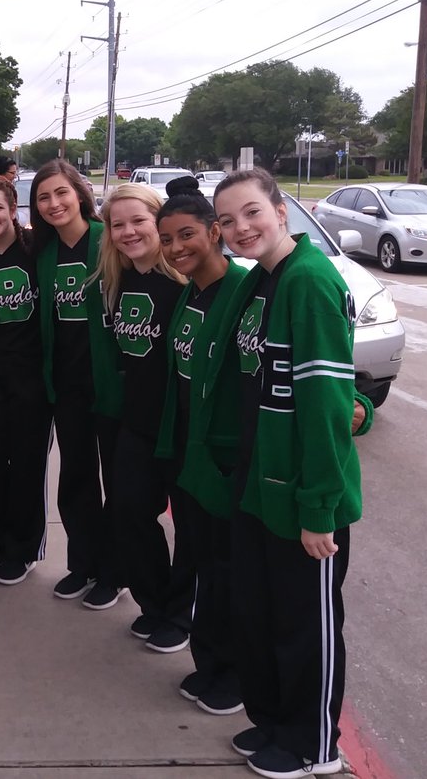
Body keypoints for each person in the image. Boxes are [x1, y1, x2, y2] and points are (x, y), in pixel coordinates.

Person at [209, 167, 362, 779]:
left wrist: (320, 507)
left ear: (280, 210)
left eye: (252, 212)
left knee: (307, 626)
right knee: (262, 614)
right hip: (258, 485)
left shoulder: (308, 281)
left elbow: (327, 402)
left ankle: (314, 746)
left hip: (303, 497)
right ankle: (274, 720)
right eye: (228, 220)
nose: (241, 227)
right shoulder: (263, 282)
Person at [155, 175, 251, 717]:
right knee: (199, 564)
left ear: (215, 232)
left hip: (222, 461)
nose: (176, 248)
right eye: (168, 239)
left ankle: (234, 675)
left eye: (187, 235)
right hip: (189, 459)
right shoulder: (191, 292)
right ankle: (208, 663)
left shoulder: (240, 291)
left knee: (226, 572)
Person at [95, 183, 192, 644]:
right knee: (130, 513)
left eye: (139, 221)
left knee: (192, 531)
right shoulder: (116, 280)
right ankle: (155, 603)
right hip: (136, 423)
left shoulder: (186, 281)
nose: (129, 232)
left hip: (184, 426)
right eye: (118, 224)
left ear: (160, 222)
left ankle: (182, 617)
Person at [30, 159, 123, 609]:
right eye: (44, 196)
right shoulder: (44, 252)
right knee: (77, 479)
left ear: (80, 194)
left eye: (61, 193)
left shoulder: (110, 241)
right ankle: (82, 563)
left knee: (119, 484)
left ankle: (115, 571)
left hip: (111, 385)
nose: (54, 203)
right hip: (66, 386)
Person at [0, 177, 52, 585]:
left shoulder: (37, 247)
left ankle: (23, 548)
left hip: (32, 375)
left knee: (26, 465)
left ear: (13, 206)